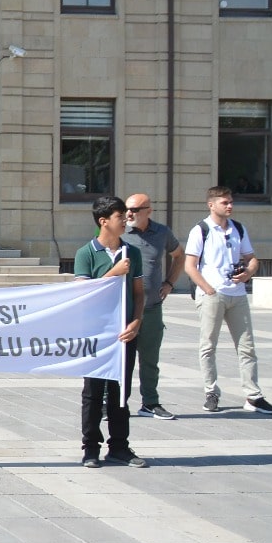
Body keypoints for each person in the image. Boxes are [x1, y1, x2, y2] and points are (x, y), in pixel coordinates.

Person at [184, 185, 272, 415]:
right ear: (211, 205)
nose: (230, 206)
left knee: (247, 347)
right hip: (212, 295)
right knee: (208, 346)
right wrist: (208, 289)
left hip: (238, 295)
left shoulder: (238, 228)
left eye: (231, 202)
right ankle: (211, 392)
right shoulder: (201, 230)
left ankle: (253, 395)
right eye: (225, 202)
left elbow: (251, 258)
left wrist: (247, 273)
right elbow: (190, 266)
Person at [73, 195, 147, 468]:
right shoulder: (86, 253)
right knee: (93, 393)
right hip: (96, 335)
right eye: (120, 216)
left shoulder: (133, 253)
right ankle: (90, 447)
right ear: (104, 221)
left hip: (124, 335)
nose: (126, 219)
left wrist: (136, 321)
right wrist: (113, 273)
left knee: (120, 392)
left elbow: (139, 294)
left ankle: (119, 446)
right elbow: (83, 294)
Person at [123, 193, 182, 420]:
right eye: (128, 209)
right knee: (121, 359)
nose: (129, 214)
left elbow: (179, 255)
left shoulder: (162, 233)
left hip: (152, 308)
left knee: (149, 359)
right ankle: (113, 404)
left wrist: (169, 283)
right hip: (126, 309)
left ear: (149, 210)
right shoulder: (121, 232)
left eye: (135, 210)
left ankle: (150, 403)